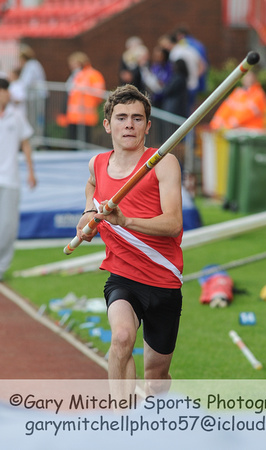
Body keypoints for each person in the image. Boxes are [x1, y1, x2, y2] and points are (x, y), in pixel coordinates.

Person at [76, 84, 183, 396]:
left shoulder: (163, 163)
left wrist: (126, 221)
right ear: (108, 124)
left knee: (156, 378)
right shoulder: (97, 163)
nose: (129, 125)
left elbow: (173, 223)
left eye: (137, 118)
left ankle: (151, 415)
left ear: (147, 126)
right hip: (123, 275)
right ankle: (120, 423)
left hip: (164, 280)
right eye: (121, 118)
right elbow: (92, 187)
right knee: (122, 337)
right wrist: (88, 217)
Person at [0, 78, 37, 281]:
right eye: (4, 90)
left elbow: (26, 144)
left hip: (10, 178)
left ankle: (1, 268)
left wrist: (31, 171)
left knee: (7, 225)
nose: (7, 94)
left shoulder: (16, 115)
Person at [65, 52, 106, 144]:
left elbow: (99, 94)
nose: (71, 66)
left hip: (86, 116)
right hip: (74, 116)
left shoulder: (94, 75)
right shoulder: (78, 75)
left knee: (85, 143)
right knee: (73, 142)